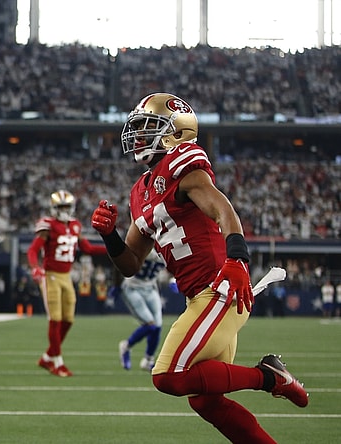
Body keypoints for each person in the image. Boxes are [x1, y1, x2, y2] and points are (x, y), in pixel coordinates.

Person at [90, 92, 308, 442]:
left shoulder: (183, 166)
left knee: (167, 377)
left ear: (176, 133)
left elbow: (224, 211)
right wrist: (108, 236)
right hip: (200, 298)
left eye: (150, 127)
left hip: (221, 288)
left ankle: (269, 377)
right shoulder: (139, 192)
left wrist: (237, 260)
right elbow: (129, 263)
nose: (139, 136)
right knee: (206, 402)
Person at [28, 189, 107, 377]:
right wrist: (35, 268)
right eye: (60, 207)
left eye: (66, 206)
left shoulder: (75, 226)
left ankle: (48, 357)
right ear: (54, 208)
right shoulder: (48, 226)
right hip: (51, 276)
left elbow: (86, 247)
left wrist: (110, 249)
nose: (64, 210)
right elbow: (33, 250)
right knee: (54, 319)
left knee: (68, 320)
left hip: (67, 276)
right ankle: (57, 362)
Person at [117, 249, 166, 371]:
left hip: (151, 287)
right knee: (150, 325)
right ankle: (126, 346)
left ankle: (148, 360)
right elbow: (120, 259)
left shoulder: (169, 247)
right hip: (133, 287)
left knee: (158, 327)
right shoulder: (146, 244)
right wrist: (116, 284)